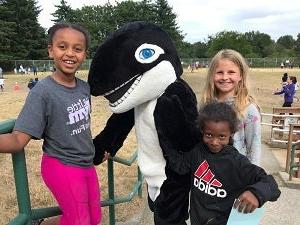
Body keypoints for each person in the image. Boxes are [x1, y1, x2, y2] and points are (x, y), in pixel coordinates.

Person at [0, 22, 103, 225]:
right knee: (80, 222)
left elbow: (80, 128)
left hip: (86, 164)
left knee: (95, 219)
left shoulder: (84, 88)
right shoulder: (42, 91)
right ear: (50, 51)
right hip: (62, 165)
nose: (70, 54)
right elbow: (18, 140)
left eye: (77, 49)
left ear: (84, 54)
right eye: (62, 47)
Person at [165, 102, 281, 225]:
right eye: (209, 135)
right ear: (202, 131)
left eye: (221, 136)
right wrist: (166, 145)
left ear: (231, 134)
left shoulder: (236, 162)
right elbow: (180, 166)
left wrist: (256, 194)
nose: (214, 142)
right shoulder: (197, 152)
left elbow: (272, 185)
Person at [201, 49, 261, 165]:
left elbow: (254, 147)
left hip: (235, 174)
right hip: (207, 172)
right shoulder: (205, 105)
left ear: (241, 76)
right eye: (219, 72)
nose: (225, 77)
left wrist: (253, 179)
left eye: (231, 72)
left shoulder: (249, 109)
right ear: (212, 75)